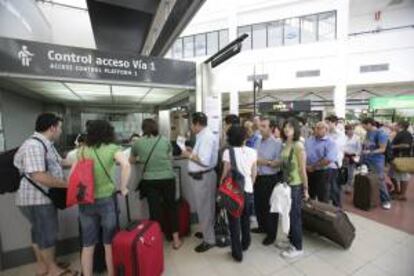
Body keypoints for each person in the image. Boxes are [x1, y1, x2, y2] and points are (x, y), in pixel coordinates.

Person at [14, 113, 76, 276]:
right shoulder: (34, 145)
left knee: (38, 232)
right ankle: (53, 270)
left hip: (37, 198)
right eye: (60, 128)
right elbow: (38, 175)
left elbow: (59, 162)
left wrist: (80, 161)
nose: (61, 131)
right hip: (37, 198)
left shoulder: (46, 144)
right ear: (52, 128)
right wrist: (69, 185)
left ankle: (44, 266)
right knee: (47, 233)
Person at [75, 120, 130, 276]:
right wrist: (124, 187)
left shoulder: (82, 150)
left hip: (86, 201)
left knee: (87, 244)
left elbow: (73, 175)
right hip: (106, 200)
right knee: (109, 243)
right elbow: (126, 165)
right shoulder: (113, 148)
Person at [130, 118, 183, 249]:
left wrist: (140, 157)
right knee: (171, 208)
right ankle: (176, 240)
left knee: (155, 211)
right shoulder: (164, 140)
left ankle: (157, 241)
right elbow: (170, 157)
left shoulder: (137, 143)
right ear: (156, 128)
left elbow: (131, 160)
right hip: (168, 178)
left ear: (143, 129)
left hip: (150, 180)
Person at [181, 112, 218, 253]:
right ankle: (207, 232)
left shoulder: (207, 137)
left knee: (205, 208)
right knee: (204, 208)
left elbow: (204, 161)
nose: (191, 126)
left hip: (204, 177)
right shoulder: (202, 135)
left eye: (192, 123)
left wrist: (188, 155)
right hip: (201, 177)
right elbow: (201, 155)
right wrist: (192, 151)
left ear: (197, 124)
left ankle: (209, 240)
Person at [220, 125, 257, 262]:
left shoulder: (228, 152)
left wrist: (220, 187)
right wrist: (249, 185)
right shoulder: (253, 152)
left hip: (233, 193)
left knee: (234, 222)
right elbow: (254, 174)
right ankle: (245, 243)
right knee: (245, 219)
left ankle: (237, 253)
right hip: (248, 191)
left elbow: (225, 173)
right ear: (243, 138)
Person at [278, 118, 309, 259]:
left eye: (290, 126)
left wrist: (306, 189)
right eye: (285, 126)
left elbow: (302, 170)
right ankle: (291, 241)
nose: (286, 129)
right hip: (286, 184)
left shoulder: (298, 146)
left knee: (295, 216)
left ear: (296, 129)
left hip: (295, 185)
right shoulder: (286, 144)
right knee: (287, 214)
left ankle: (298, 247)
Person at [251, 117, 283, 246]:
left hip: (270, 179)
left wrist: (263, 162)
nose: (260, 128)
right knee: (259, 205)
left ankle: (271, 234)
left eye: (264, 126)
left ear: (271, 128)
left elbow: (277, 164)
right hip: (257, 177)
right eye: (260, 126)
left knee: (270, 207)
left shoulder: (277, 144)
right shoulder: (257, 141)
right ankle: (262, 226)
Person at [361, 118, 392, 210]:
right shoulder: (368, 133)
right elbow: (367, 144)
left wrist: (370, 152)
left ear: (369, 124)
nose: (362, 127)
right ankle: (370, 198)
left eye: (364, 125)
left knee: (380, 179)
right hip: (367, 159)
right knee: (368, 179)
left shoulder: (381, 133)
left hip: (377, 160)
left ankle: (386, 200)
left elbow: (383, 149)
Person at [305, 122, 337, 203]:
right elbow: (304, 153)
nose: (316, 130)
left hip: (322, 172)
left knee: (322, 196)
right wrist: (306, 166)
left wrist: (313, 167)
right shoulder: (309, 140)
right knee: (309, 194)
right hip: (308, 171)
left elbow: (328, 159)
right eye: (315, 128)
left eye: (319, 128)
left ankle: (322, 214)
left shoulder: (330, 142)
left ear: (326, 130)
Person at [325, 115, 346, 207]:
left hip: (334, 164)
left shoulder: (340, 135)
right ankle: (330, 205)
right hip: (325, 164)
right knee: (327, 186)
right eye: (325, 122)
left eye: (328, 123)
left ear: (334, 123)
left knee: (334, 186)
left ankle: (338, 206)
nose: (326, 125)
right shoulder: (326, 134)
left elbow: (334, 147)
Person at [389, 120, 413, 201]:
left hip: (403, 158)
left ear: (400, 126)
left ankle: (402, 195)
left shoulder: (406, 134)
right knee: (391, 175)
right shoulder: (400, 133)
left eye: (396, 125)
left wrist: (393, 146)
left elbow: (406, 145)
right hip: (396, 158)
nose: (394, 126)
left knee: (404, 177)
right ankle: (397, 190)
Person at [343, 125, 362, 193]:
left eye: (352, 130)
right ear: (346, 131)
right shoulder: (343, 137)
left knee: (350, 173)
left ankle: (349, 187)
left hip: (352, 156)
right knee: (343, 171)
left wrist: (356, 156)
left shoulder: (357, 138)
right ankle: (343, 185)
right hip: (344, 156)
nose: (350, 131)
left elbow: (359, 149)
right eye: (349, 130)